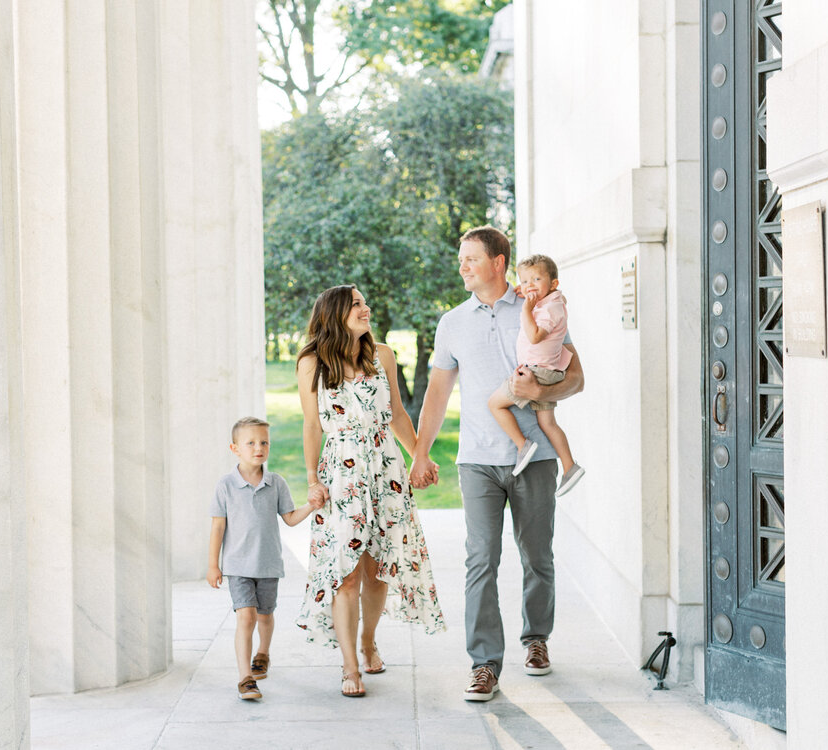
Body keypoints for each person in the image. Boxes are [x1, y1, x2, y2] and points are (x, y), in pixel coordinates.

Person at [409, 226, 584, 702]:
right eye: (461, 258)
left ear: (499, 262)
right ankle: (484, 663)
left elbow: (576, 379)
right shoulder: (452, 323)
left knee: (537, 556)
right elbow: (437, 394)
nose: (462, 266)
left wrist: (541, 392)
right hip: (478, 461)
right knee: (481, 560)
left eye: (471, 258)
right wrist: (420, 452)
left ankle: (536, 640)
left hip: (537, 457)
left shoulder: (539, 305)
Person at [294, 284, 445, 698]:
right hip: (340, 474)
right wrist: (312, 478)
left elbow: (396, 413)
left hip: (385, 468)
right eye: (357, 304)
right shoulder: (312, 362)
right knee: (345, 574)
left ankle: (368, 641)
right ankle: (348, 666)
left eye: (364, 302)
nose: (366, 308)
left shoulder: (383, 356)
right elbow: (311, 425)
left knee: (378, 568)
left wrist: (419, 457)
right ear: (336, 313)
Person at [207, 416, 323, 701]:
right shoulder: (226, 486)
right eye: (251, 443)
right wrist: (213, 564)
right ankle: (245, 677)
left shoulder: (276, 483)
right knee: (245, 617)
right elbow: (218, 526)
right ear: (235, 448)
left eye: (264, 442)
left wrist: (311, 505)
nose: (258, 447)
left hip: (268, 564)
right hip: (237, 567)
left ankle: (263, 653)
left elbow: (291, 519)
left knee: (265, 616)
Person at [487, 253, 585, 495]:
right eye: (525, 281)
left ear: (553, 284)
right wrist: (532, 295)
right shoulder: (551, 302)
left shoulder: (549, 309)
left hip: (536, 373)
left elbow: (534, 336)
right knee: (547, 422)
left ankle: (523, 445)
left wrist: (526, 309)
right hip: (546, 370)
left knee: (494, 404)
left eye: (536, 279)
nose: (529, 286)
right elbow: (536, 296)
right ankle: (570, 466)